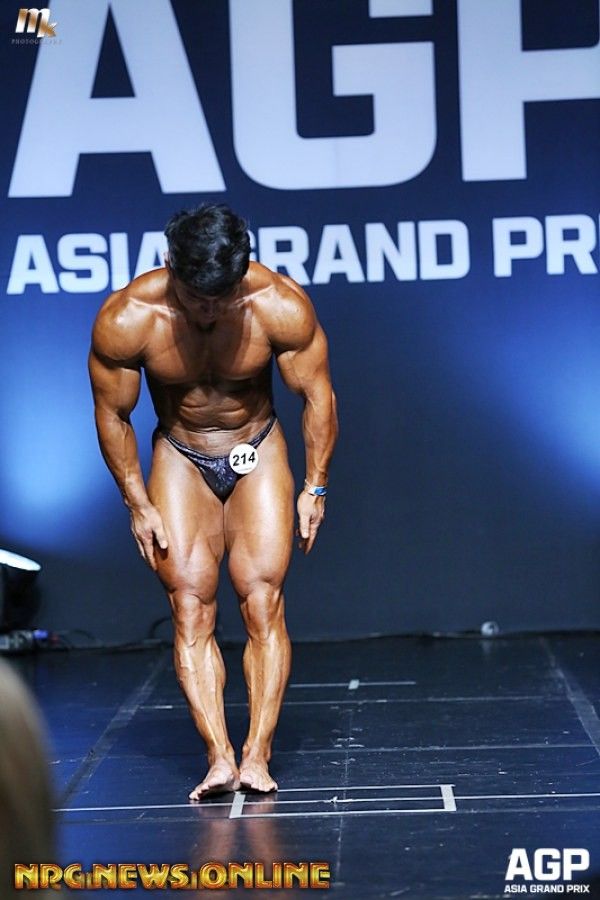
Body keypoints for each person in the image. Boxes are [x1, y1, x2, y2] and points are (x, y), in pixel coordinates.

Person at [89, 205, 338, 799]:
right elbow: (113, 415)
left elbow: (318, 396)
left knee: (262, 599)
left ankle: (257, 754)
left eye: (220, 297)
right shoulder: (129, 317)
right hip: (181, 453)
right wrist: (137, 504)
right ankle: (220, 756)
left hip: (257, 445)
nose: (206, 310)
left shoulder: (278, 304)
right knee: (190, 604)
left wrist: (315, 486)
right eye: (196, 297)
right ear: (170, 264)